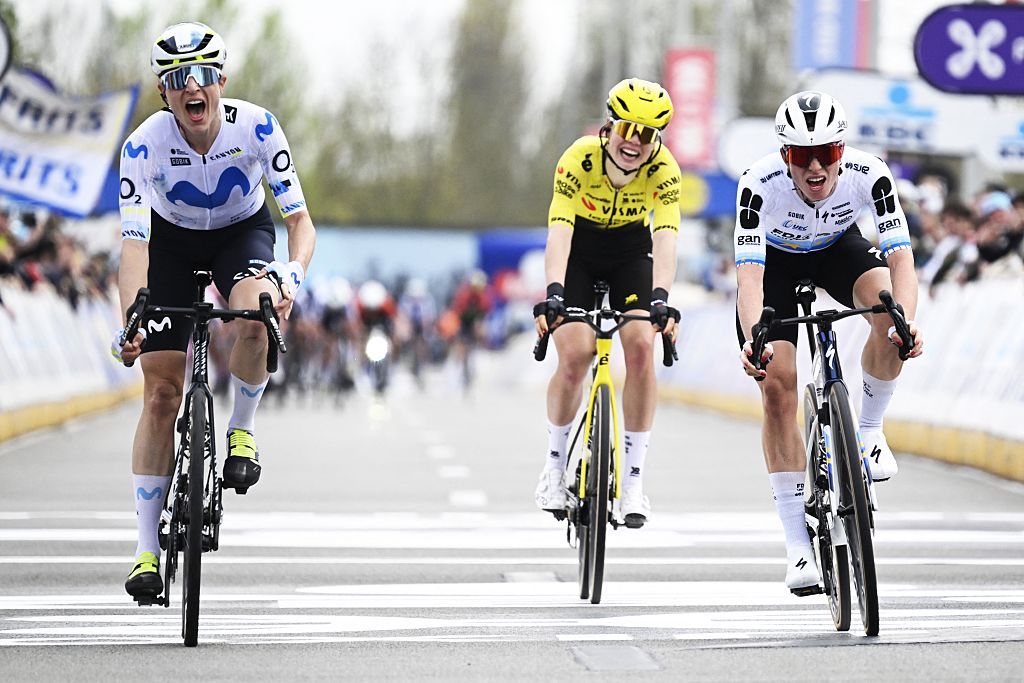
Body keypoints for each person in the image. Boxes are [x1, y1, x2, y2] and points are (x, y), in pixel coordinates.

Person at [112, 22, 316, 599]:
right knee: (159, 394)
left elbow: (300, 223)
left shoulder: (258, 127)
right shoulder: (142, 146)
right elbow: (134, 248)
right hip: (170, 244)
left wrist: (290, 278)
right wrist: (131, 320)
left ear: (221, 80)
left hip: (239, 236)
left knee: (258, 314)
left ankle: (241, 430)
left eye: (203, 75)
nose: (191, 88)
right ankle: (146, 550)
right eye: (177, 79)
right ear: (164, 92)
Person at [733, 91, 923, 594]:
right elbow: (749, 280)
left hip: (838, 249)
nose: (815, 167)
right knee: (779, 388)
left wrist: (907, 322)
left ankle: (866, 430)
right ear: (784, 157)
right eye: (801, 155)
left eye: (827, 154)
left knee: (889, 314)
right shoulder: (758, 185)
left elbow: (902, 260)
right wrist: (756, 338)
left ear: (843, 150)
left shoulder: (872, 174)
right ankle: (798, 545)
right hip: (774, 265)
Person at [532, 78, 681, 528]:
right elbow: (559, 230)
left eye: (647, 134)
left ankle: (633, 482)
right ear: (609, 125)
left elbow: (666, 236)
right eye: (626, 129)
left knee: (640, 346)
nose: (634, 142)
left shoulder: (665, 171)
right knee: (575, 354)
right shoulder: (578, 159)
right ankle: (554, 469)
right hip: (579, 249)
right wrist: (554, 291)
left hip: (629, 253)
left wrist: (661, 299)